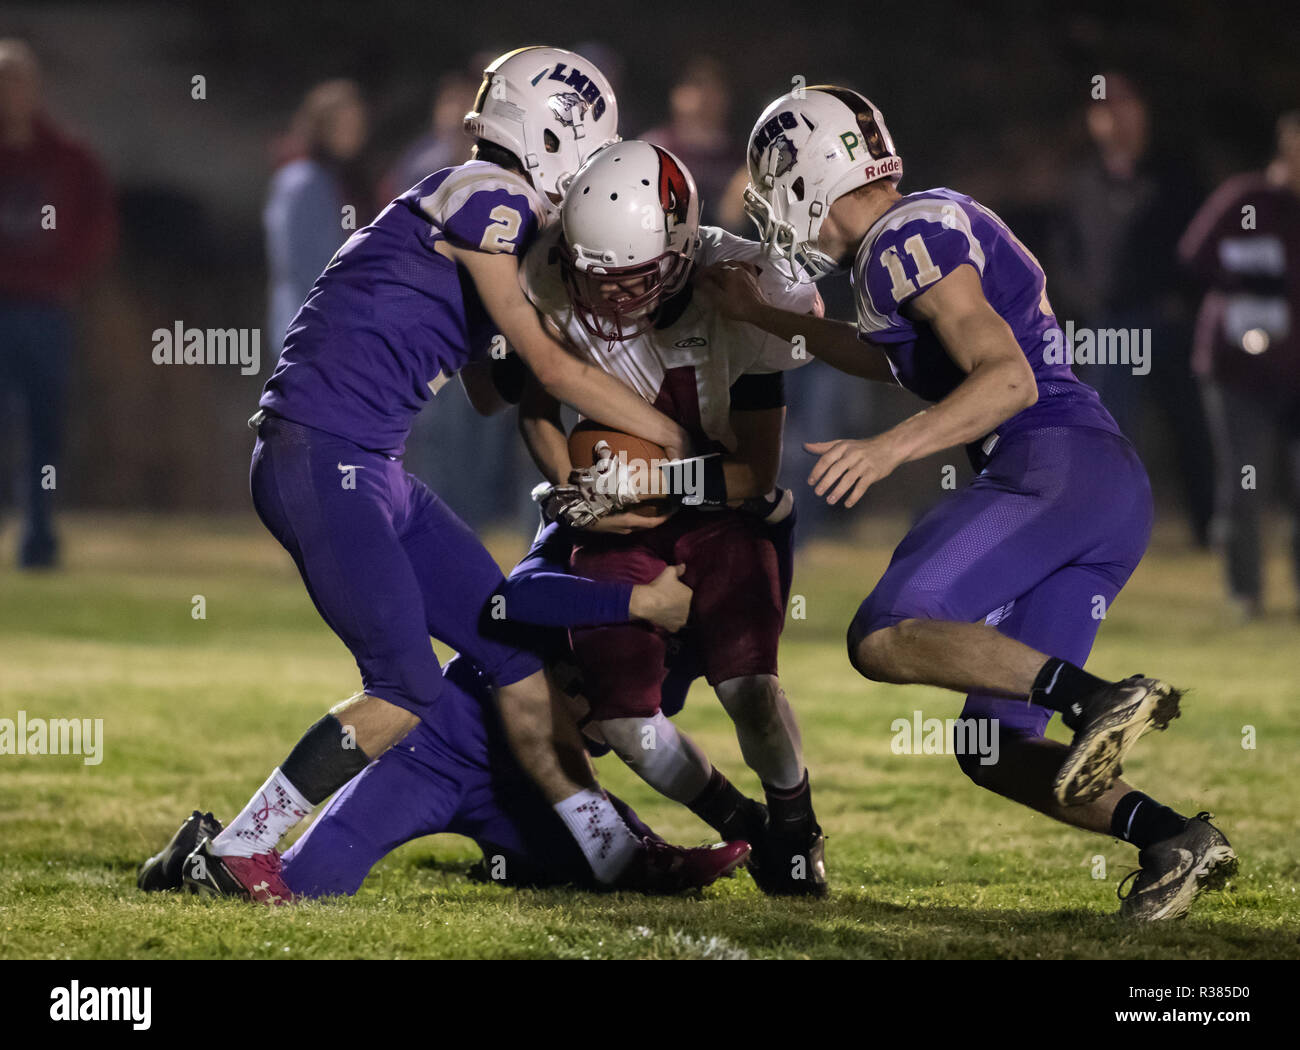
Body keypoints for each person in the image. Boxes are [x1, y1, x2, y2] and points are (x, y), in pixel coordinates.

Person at [172, 46, 746, 905]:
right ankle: (240, 848)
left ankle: (614, 854)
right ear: (552, 134)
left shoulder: (483, 213)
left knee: (512, 653)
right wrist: (668, 431)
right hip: (322, 454)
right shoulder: (489, 194)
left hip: (371, 463)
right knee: (403, 685)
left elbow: (491, 386)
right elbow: (545, 367)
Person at [701, 85, 1236, 921]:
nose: (770, 201)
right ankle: (1174, 839)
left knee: (882, 633)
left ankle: (1097, 699)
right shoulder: (920, 226)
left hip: (1048, 465)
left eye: (775, 178)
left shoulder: (898, 241)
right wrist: (768, 317)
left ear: (811, 171)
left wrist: (887, 450)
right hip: (1098, 488)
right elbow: (893, 360)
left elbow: (1008, 379)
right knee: (990, 748)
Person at [513, 141, 828, 895]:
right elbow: (534, 403)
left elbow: (755, 471)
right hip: (613, 523)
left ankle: (795, 824)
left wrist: (656, 477)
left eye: (634, 278)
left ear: (682, 250)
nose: (613, 296)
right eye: (599, 277)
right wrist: (571, 483)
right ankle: (744, 825)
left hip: (722, 510)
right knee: (622, 716)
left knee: (749, 684)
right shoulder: (550, 271)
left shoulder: (747, 289)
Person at [1050, 72, 1213, 544]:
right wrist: (1084, 300)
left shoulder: (1176, 176)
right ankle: (1106, 531)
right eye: (1105, 108)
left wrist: (1183, 302)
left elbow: (1200, 249)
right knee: (1107, 429)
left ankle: (1207, 528)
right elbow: (1064, 253)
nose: (1115, 117)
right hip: (1109, 325)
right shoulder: (1082, 182)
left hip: (1168, 322)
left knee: (1191, 427)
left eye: (1125, 105)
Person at [1178, 111, 1300, 620]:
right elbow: (1193, 256)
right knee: (1246, 482)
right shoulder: (1248, 198)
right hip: (1239, 369)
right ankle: (1245, 595)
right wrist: (1248, 278)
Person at [0, 38, 115, 568]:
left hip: (45, 309)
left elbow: (96, 227)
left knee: (45, 425)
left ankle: (39, 537)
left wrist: (62, 273)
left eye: (17, 81)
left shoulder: (68, 157)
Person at [265, 79, 370, 351]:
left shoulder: (344, 180)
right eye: (343, 124)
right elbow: (297, 261)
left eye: (356, 124)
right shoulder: (301, 182)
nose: (353, 133)